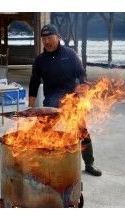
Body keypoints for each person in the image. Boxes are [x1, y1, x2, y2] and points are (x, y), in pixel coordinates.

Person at [28, 24, 102, 176]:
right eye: (44, 39)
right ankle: (43, 163)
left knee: (82, 132)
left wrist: (83, 86)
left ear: (58, 37)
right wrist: (30, 105)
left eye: (50, 38)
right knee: (44, 132)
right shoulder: (40, 60)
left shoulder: (70, 54)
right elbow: (34, 82)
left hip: (72, 100)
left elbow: (81, 74)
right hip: (51, 102)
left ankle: (89, 164)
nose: (47, 41)